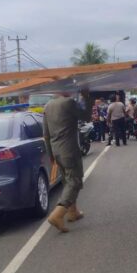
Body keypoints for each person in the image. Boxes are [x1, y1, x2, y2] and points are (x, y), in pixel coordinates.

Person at [43, 91, 89, 233]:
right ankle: (57, 215)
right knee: (74, 181)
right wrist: (86, 97)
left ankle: (73, 212)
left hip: (57, 152)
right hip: (69, 150)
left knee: (67, 181)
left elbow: (46, 134)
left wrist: (50, 154)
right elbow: (86, 116)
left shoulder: (48, 105)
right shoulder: (68, 103)